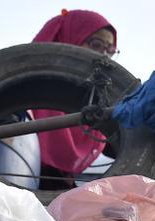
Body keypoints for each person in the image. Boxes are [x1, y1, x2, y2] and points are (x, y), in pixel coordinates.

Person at [31, 10, 118, 180]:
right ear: (69, 38)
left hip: (59, 187)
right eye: (96, 45)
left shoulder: (96, 100)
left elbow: (122, 143)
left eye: (110, 50)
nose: (104, 56)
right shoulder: (22, 88)